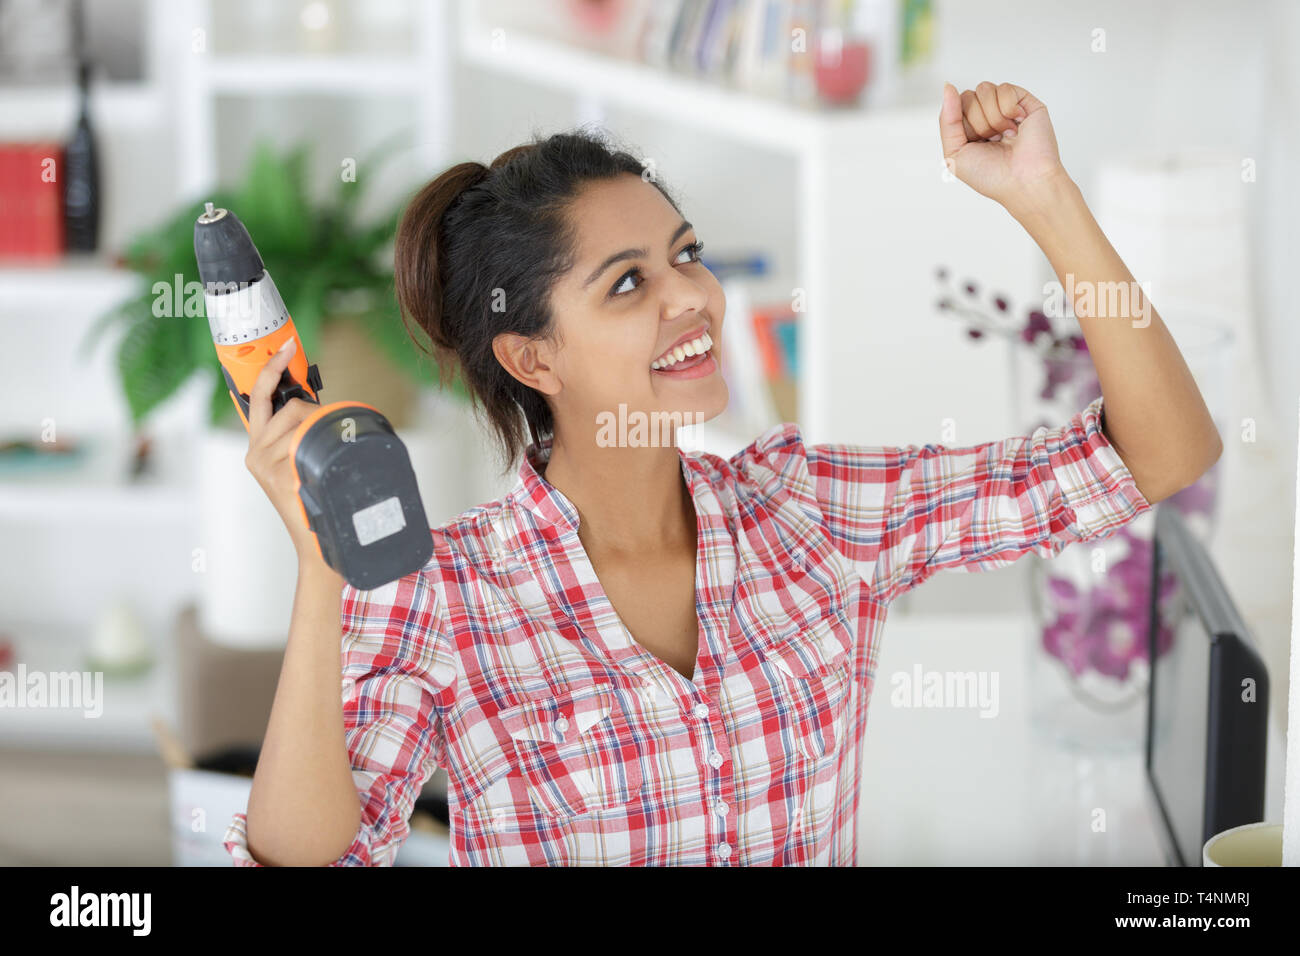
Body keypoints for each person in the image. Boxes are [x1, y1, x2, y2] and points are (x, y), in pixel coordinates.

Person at [222, 82, 1222, 866]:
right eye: (628, 282)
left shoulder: (810, 510)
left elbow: (1160, 454)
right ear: (534, 358)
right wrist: (320, 571)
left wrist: (1044, 198)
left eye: (684, 254)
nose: (690, 296)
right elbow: (308, 854)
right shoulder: (444, 594)